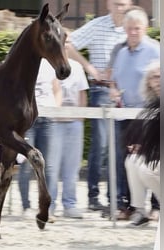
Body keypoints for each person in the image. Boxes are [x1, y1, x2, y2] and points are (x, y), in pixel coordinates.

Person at [66, 0, 133, 211]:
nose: (120, 8)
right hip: (101, 90)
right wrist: (90, 68)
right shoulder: (97, 25)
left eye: (124, 4)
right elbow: (67, 44)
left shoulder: (132, 27)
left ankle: (117, 198)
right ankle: (94, 197)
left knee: (122, 148)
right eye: (117, 4)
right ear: (108, 5)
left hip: (125, 92)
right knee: (101, 145)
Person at [109, 7, 159, 219]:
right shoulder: (120, 52)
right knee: (127, 160)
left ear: (145, 29)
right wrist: (113, 90)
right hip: (125, 115)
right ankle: (131, 206)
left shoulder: (155, 50)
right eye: (129, 28)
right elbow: (114, 79)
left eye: (137, 28)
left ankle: (156, 206)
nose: (133, 32)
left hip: (150, 116)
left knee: (153, 159)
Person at [47, 36, 89, 219]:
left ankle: (70, 204)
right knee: (52, 166)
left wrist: (80, 118)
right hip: (54, 123)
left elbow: (82, 94)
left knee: (72, 167)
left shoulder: (77, 68)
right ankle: (49, 205)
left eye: (67, 43)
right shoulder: (47, 66)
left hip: (74, 123)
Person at [18, 58, 62, 217]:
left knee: (48, 165)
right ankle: (26, 206)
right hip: (27, 120)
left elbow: (57, 89)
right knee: (26, 164)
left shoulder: (49, 64)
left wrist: (55, 109)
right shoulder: (20, 63)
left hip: (47, 119)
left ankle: (47, 207)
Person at [124, 60, 160, 227]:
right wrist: (139, 144)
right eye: (154, 77)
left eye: (161, 77)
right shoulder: (150, 104)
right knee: (132, 161)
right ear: (148, 82)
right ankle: (140, 211)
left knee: (146, 170)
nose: (158, 81)